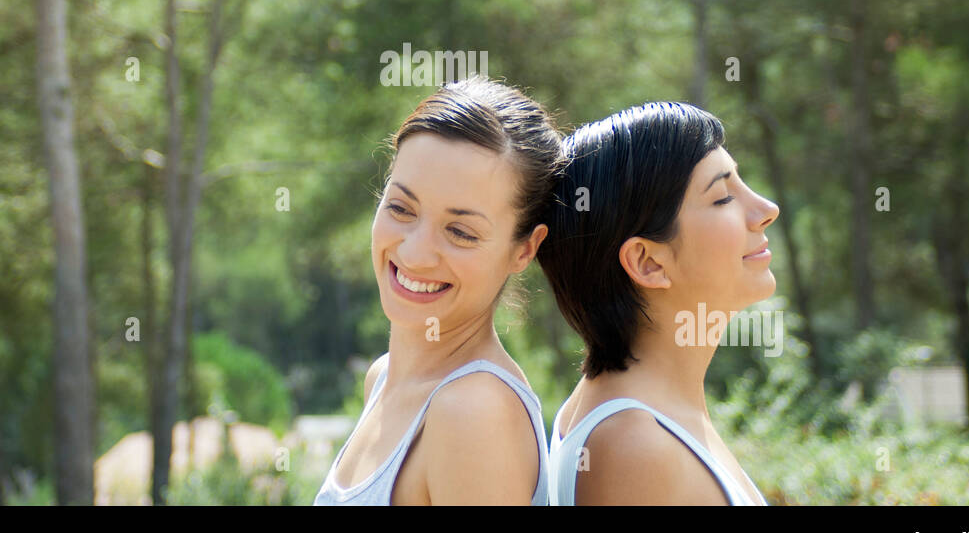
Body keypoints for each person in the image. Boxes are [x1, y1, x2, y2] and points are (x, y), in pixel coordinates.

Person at [314, 75, 564, 505]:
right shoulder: (384, 377)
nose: (415, 253)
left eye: (461, 232)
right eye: (400, 207)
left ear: (524, 249)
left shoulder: (473, 412)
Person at [537, 102, 779, 505]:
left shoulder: (639, 411)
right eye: (722, 198)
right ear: (647, 262)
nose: (766, 210)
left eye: (742, 183)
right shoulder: (634, 446)